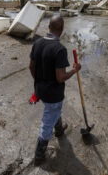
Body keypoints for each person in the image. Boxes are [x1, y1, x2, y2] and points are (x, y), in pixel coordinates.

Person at [29, 15, 81, 165]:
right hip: (53, 94)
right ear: (62, 30)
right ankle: (39, 155)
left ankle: (59, 130)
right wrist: (75, 70)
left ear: (49, 27)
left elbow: (31, 67)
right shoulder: (59, 49)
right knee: (48, 120)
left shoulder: (37, 43)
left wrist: (39, 82)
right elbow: (60, 77)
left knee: (53, 110)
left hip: (40, 90)